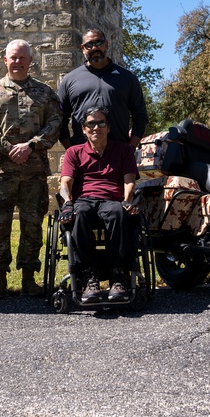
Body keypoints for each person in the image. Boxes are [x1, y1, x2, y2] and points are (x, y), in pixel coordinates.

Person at [0, 39, 61, 299]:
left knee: (32, 226)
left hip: (34, 173)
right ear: (5, 59)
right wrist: (9, 148)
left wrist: (31, 146)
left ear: (30, 61)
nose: (18, 62)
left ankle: (29, 278)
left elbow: (55, 123)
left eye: (23, 57)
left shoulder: (45, 93)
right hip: (1, 172)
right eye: (13, 57)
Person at [59, 107, 139, 302]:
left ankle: (118, 275)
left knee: (117, 213)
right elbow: (65, 183)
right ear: (84, 129)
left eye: (101, 123)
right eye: (91, 124)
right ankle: (88, 276)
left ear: (108, 127)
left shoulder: (124, 150)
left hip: (112, 199)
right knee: (81, 213)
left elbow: (129, 181)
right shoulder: (74, 152)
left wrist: (127, 201)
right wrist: (68, 203)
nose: (96, 127)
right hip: (83, 199)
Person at [58, 28, 148, 149]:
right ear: (82, 48)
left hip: (119, 154)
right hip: (82, 156)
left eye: (98, 43)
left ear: (106, 44)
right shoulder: (70, 80)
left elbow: (140, 116)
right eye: (89, 45)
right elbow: (59, 119)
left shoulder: (127, 78)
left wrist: (131, 148)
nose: (94, 48)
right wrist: (71, 150)